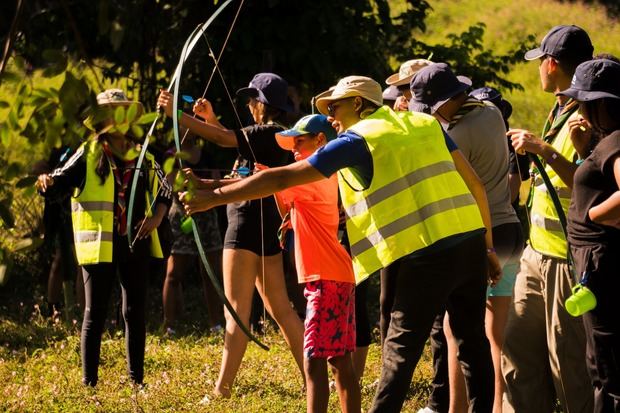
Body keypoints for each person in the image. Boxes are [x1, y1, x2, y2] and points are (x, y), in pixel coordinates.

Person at [180, 75, 501, 412]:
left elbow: (279, 177)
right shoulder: (425, 122)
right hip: (470, 243)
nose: (330, 114)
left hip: (427, 253)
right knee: (473, 345)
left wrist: (211, 198)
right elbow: (476, 185)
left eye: (334, 106)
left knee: (399, 352)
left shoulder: (355, 140)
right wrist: (488, 248)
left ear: (358, 104)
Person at [157, 72, 305, 398]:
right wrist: (211, 119)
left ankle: (222, 390)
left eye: (253, 99)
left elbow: (225, 140)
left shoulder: (268, 132)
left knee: (235, 312)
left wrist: (176, 115)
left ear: (263, 105)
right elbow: (234, 146)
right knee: (281, 308)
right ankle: (314, 379)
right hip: (264, 228)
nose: (249, 105)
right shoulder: (275, 135)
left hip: (244, 228)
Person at [36, 89, 172, 387]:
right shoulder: (88, 153)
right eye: (111, 113)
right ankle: (89, 384)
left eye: (123, 112)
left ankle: (137, 381)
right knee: (94, 314)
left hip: (134, 242)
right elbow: (58, 180)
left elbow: (165, 189)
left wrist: (158, 216)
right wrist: (45, 182)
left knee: (134, 312)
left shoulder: (143, 154)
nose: (117, 119)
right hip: (99, 245)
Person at [409, 63, 524, 413]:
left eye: (429, 108)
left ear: (444, 103)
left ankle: (456, 408)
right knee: (495, 335)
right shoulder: (490, 111)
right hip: (511, 231)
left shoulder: (455, 137)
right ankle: (498, 406)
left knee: (456, 329)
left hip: (483, 236)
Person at [502, 25, 595, 412]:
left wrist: (544, 151)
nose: (538, 68)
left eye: (540, 61)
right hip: (534, 255)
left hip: (565, 262)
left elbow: (590, 187)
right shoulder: (559, 108)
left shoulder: (588, 115)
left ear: (552, 63)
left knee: (569, 369)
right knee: (517, 356)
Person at [269, 114, 360, 412]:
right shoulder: (315, 179)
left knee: (314, 361)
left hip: (326, 279)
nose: (294, 148)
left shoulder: (314, 177)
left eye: (301, 141)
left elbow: (272, 183)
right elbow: (284, 201)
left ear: (321, 141)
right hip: (335, 276)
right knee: (339, 360)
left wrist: (254, 178)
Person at [559, 58, 620, 413]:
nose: (576, 107)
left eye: (581, 100)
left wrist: (597, 214)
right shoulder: (606, 141)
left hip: (602, 265)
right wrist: (585, 153)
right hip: (599, 264)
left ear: (599, 103)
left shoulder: (614, 141)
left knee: (607, 367)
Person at [162, 135, 224, 335]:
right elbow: (175, 187)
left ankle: (216, 325)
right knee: (174, 273)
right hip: (182, 218)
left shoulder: (206, 155)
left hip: (207, 218)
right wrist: (199, 188)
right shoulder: (171, 155)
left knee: (211, 273)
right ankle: (169, 325)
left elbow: (217, 183)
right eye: (183, 124)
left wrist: (201, 187)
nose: (187, 129)